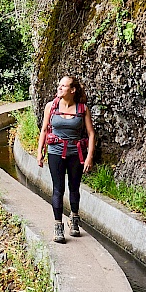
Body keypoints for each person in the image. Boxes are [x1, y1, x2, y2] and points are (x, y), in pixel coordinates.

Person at [36, 75, 96, 244]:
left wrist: (89, 156)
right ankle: (58, 226)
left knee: (74, 187)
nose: (60, 88)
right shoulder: (51, 106)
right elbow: (44, 130)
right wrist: (40, 151)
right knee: (58, 189)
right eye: (59, 85)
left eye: (64, 86)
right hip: (55, 152)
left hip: (76, 153)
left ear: (73, 90)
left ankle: (74, 218)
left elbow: (91, 134)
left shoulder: (82, 108)